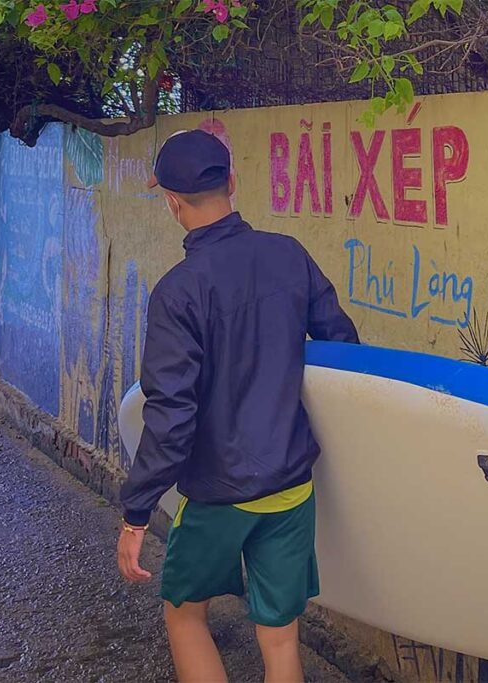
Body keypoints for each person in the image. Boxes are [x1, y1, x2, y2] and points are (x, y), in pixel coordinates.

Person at [116, 129, 359, 683]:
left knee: (185, 613)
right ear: (233, 182)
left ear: (172, 203)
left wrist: (136, 513)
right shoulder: (288, 254)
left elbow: (170, 415)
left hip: (218, 493)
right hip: (291, 485)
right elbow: (342, 349)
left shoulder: (178, 291)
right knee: (281, 638)